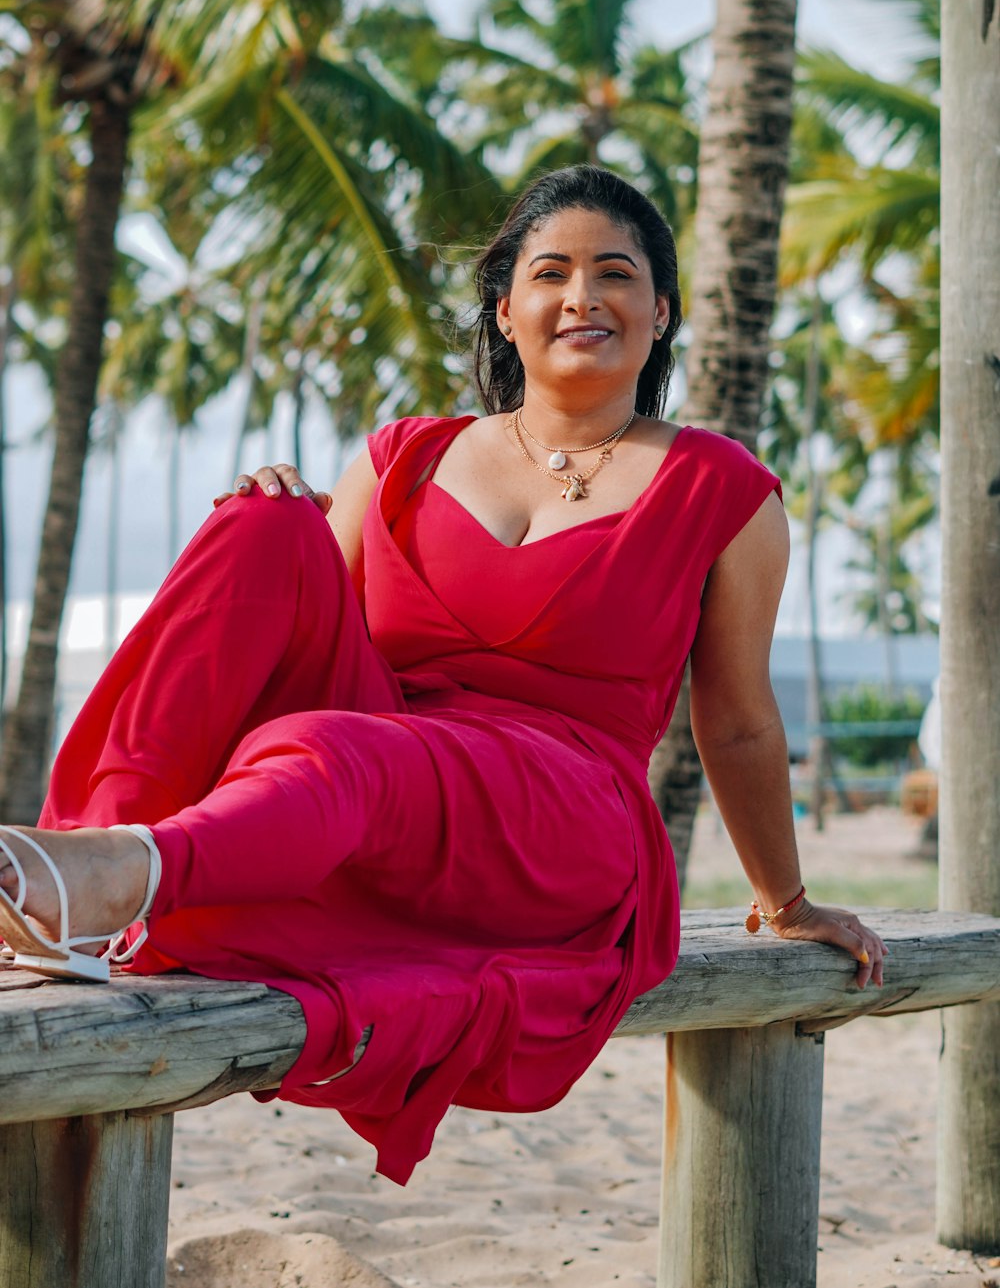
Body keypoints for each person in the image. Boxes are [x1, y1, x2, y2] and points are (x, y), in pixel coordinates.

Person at [0, 165, 886, 1185]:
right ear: (505, 311)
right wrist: (271, 516)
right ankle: (87, 869)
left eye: (615, 272)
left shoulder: (719, 488)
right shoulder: (402, 458)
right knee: (257, 523)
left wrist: (786, 900)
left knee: (341, 749)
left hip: (562, 816)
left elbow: (733, 721)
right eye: (549, 272)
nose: (581, 297)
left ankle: (117, 875)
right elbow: (294, 643)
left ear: (660, 310)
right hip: (377, 764)